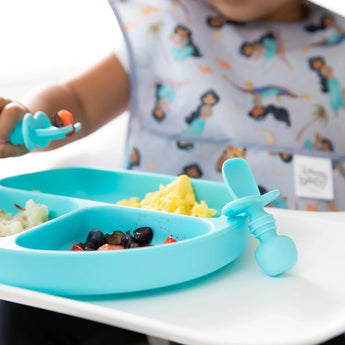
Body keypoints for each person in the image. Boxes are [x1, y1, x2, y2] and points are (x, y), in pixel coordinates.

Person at [0, 0, 345, 344]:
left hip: (294, 290)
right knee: (21, 313)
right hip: (147, 279)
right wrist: (30, 117)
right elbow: (79, 98)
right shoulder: (165, 25)